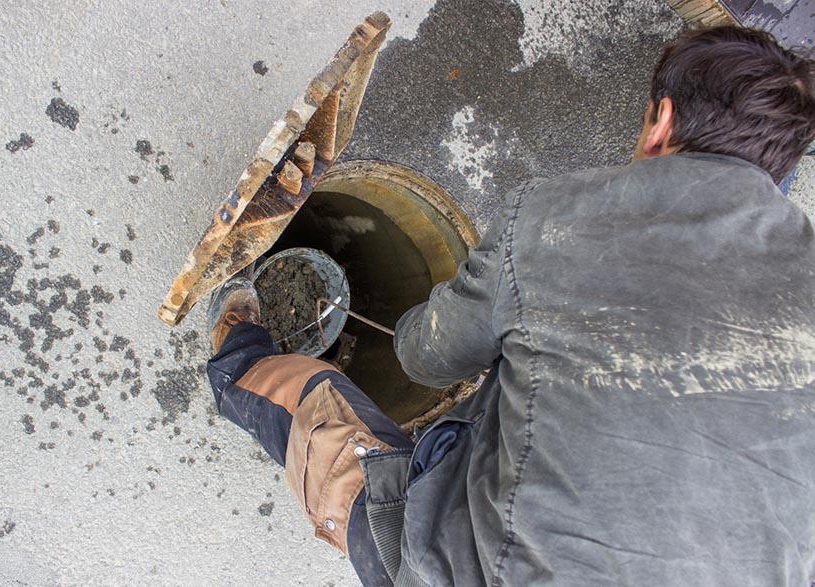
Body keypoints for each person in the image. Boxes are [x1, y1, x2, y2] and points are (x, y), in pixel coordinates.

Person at [206, 26, 815, 586]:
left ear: (661, 121)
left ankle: (236, 356)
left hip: (466, 569)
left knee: (313, 407)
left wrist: (419, 328)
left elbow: (424, 357)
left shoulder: (560, 221)